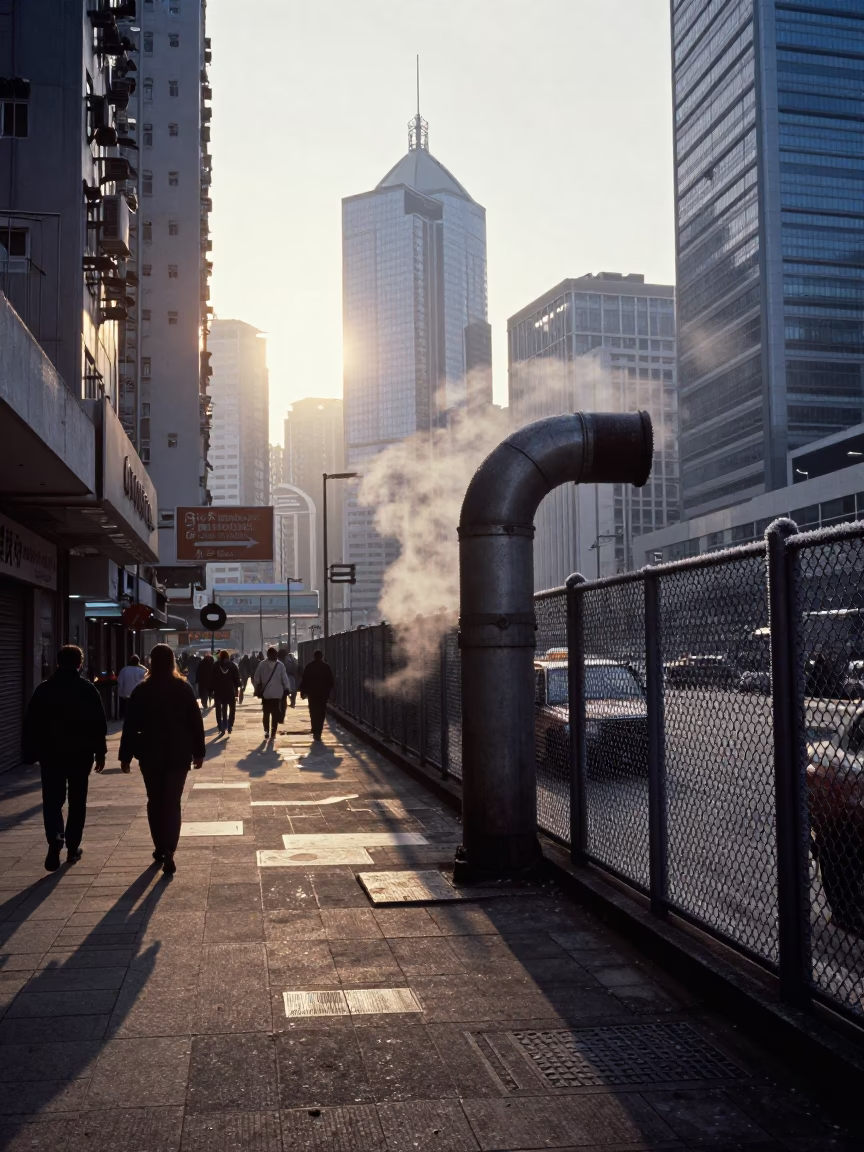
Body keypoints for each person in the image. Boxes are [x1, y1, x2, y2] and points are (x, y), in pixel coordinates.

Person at [119, 643, 205, 875]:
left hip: (150, 753)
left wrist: (125, 756)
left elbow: (130, 725)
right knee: (172, 802)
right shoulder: (183, 688)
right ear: (172, 662)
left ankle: (160, 846)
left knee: (155, 801)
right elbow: (195, 722)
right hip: (178, 753)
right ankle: (170, 849)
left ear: (151, 662)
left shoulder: (142, 690)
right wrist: (199, 752)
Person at [22, 645, 107, 871]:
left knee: (52, 800)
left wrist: (29, 752)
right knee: (77, 800)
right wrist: (100, 752)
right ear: (80, 663)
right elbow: (99, 724)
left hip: (51, 754)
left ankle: (55, 839)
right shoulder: (87, 689)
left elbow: (31, 722)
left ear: (58, 662)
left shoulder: (44, 689)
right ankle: (72, 846)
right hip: (80, 754)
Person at [253, 646, 290, 740]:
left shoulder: (262, 664)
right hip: (276, 694)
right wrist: (287, 688)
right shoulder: (280, 665)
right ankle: (273, 731)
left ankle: (267, 731)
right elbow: (285, 678)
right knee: (274, 713)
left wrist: (257, 687)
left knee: (266, 713)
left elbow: (256, 678)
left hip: (266, 694)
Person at [299, 649, 335, 741]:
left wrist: (303, 691)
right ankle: (319, 730)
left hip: (312, 694)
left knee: (313, 711)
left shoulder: (309, 666)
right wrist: (328, 691)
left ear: (314, 656)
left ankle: (315, 729)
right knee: (321, 712)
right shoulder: (326, 667)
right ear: (321, 656)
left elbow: (304, 680)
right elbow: (331, 681)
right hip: (323, 694)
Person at [212, 649, 241, 736]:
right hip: (230, 690)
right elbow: (237, 678)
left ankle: (221, 726)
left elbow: (211, 679)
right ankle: (230, 725)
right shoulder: (233, 665)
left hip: (218, 691)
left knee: (219, 709)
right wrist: (238, 687)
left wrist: (211, 689)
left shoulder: (215, 665)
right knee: (232, 708)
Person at [117, 654, 147, 719]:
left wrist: (120, 693)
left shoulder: (124, 670)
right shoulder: (143, 671)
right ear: (138, 662)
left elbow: (120, 682)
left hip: (126, 694)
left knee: (126, 713)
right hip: (138, 695)